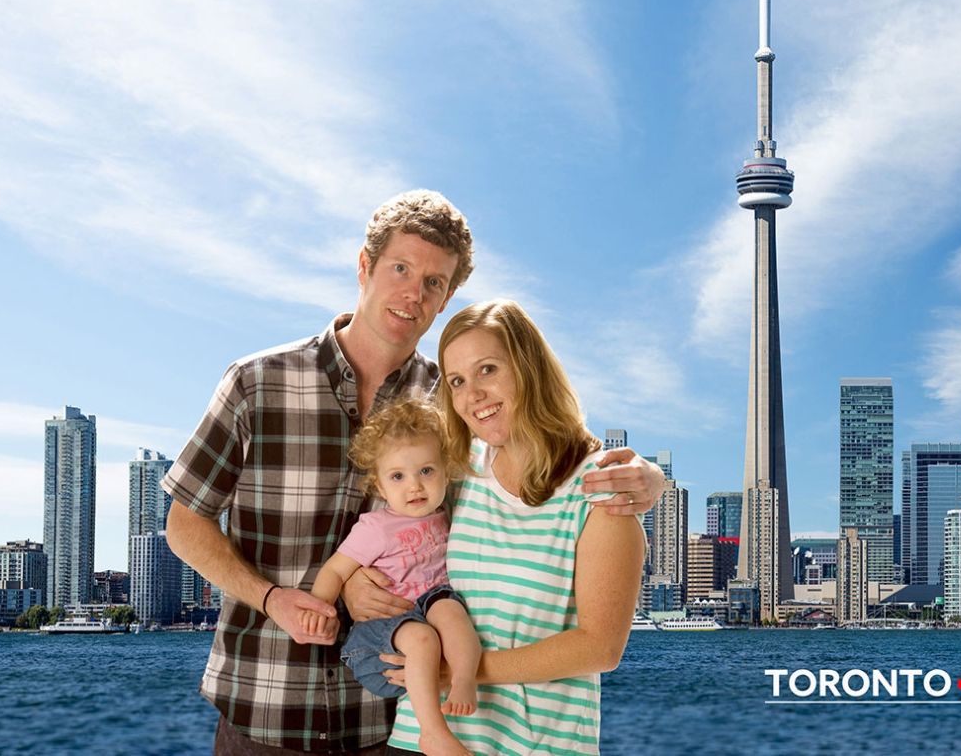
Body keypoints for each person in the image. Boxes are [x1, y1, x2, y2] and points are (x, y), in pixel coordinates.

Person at [162, 189, 664, 755]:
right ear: (364, 266)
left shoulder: (450, 403)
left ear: (447, 297)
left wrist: (647, 480)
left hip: (388, 717)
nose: (413, 293)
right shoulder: (257, 383)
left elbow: (542, 455)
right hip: (267, 704)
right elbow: (184, 524)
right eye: (401, 268)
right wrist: (274, 596)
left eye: (434, 283)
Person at [384, 299, 647, 755]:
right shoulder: (458, 473)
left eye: (487, 370)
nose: (473, 395)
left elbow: (600, 647)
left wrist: (460, 672)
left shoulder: (599, 494)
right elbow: (386, 530)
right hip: (425, 739)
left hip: (534, 744)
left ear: (529, 368)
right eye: (458, 382)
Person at [301, 396, 478, 756]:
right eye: (398, 476)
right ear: (380, 487)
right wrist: (319, 609)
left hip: (430, 603)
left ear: (446, 471)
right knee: (425, 639)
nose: (414, 486)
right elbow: (336, 569)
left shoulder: (445, 512)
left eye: (426, 471)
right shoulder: (376, 527)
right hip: (383, 629)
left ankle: (464, 680)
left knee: (454, 615)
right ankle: (433, 733)